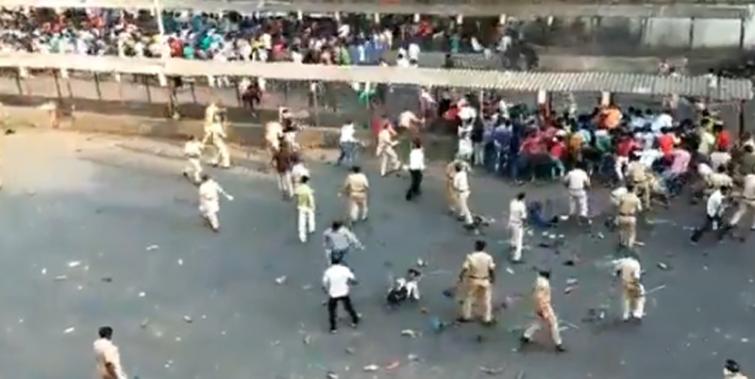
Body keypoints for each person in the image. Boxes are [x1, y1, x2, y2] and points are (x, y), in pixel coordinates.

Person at [520, 270, 566, 352]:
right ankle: (558, 344)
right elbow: (540, 298)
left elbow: (534, 292)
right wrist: (542, 310)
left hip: (538, 305)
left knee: (539, 322)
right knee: (553, 323)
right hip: (544, 306)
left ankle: (526, 335)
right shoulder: (545, 285)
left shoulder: (538, 281)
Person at [457, 240, 496, 324]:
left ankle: (466, 316)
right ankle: (487, 318)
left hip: (473, 279)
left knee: (469, 298)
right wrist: (492, 278)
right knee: (486, 299)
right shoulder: (488, 257)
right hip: (485, 279)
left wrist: (461, 276)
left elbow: (465, 268)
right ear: (484, 247)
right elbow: (491, 269)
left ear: (476, 246)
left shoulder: (471, 257)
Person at [322, 255, 360, 333]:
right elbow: (353, 280)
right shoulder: (345, 269)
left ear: (331, 262)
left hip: (333, 293)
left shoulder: (328, 271)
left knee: (332, 311)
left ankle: (333, 328)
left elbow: (324, 283)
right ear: (339, 261)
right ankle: (355, 320)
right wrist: (352, 283)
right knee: (348, 307)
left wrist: (325, 290)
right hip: (344, 291)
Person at [613, 256, 645, 322]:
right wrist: (636, 286)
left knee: (626, 298)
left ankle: (626, 314)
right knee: (639, 297)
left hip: (625, 283)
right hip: (632, 283)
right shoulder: (636, 264)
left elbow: (617, 271)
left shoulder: (622, 262)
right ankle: (637, 313)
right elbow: (636, 277)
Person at [617, 184, 643, 249]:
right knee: (632, 233)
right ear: (634, 189)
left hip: (622, 216)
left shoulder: (622, 197)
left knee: (621, 230)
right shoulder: (636, 198)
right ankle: (630, 246)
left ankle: (621, 243)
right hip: (631, 217)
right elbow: (640, 209)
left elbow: (618, 205)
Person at [295, 175, 316, 243]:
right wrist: (313, 206)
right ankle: (311, 228)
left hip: (301, 206)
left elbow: (296, 193)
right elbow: (310, 198)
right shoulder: (308, 189)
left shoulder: (299, 188)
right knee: (311, 216)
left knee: (301, 222)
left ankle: (302, 237)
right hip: (308, 206)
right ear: (307, 181)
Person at [452, 162, 474, 226]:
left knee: (464, 206)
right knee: (462, 203)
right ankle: (462, 214)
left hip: (461, 192)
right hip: (466, 191)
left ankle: (470, 221)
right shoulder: (464, 173)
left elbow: (455, 185)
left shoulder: (456, 175)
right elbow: (465, 166)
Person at [508, 192, 527, 263]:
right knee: (519, 239)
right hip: (518, 223)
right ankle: (517, 256)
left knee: (513, 234)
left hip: (511, 221)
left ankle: (512, 244)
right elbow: (523, 216)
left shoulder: (512, 203)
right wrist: (524, 224)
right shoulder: (521, 205)